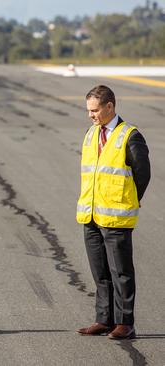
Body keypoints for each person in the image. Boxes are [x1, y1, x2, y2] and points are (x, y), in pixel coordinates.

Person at [76, 85, 150, 340]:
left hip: (116, 216)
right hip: (91, 215)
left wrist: (129, 199)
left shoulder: (130, 136)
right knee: (100, 272)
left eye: (95, 110)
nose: (91, 115)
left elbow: (143, 174)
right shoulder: (90, 134)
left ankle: (125, 323)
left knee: (121, 272)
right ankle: (104, 320)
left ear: (110, 107)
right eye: (88, 111)